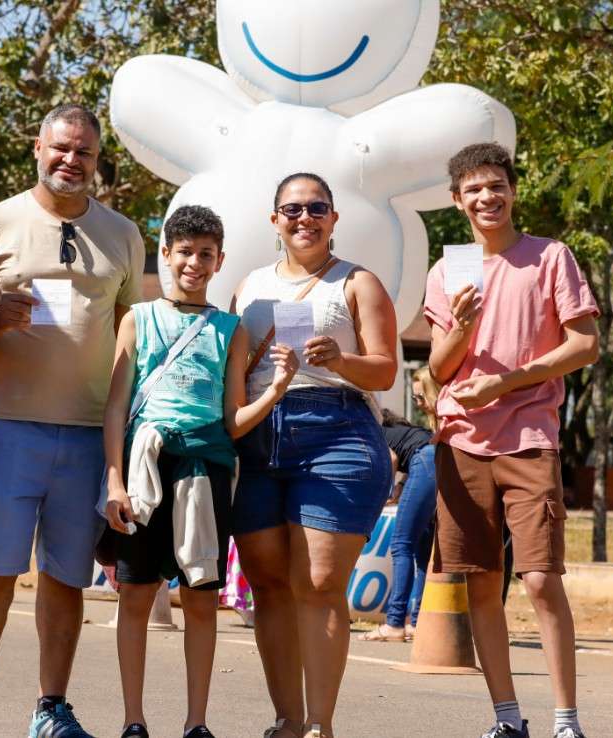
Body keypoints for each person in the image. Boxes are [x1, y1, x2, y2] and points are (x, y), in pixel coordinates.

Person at [0, 104, 144, 738]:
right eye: (61, 147)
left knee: (66, 578)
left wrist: (126, 437)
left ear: (97, 159)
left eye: (84, 152)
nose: (71, 160)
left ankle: (50, 710)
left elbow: (131, 335)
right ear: (38, 147)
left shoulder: (123, 233)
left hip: (90, 432)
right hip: (7, 424)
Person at [100, 205, 297, 738]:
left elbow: (233, 420)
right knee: (136, 594)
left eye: (205, 254)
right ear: (165, 254)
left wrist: (276, 391)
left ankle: (196, 723)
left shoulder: (230, 329)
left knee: (201, 597)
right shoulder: (137, 318)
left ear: (219, 261)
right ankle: (133, 720)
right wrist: (114, 479)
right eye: (184, 252)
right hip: (144, 468)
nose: (194, 263)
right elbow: (116, 407)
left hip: (205, 471)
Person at [424, 143, 600, 738]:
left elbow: (585, 345)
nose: (486, 197)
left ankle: (567, 722)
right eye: (473, 189)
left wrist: (506, 381)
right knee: (480, 581)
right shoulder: (448, 271)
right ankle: (506, 719)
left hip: (529, 436)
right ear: (457, 201)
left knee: (542, 579)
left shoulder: (550, 256)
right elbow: (440, 369)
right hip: (461, 440)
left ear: (513, 191)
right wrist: (463, 325)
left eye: (496, 185)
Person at [230, 172, 399, 738]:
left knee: (320, 583)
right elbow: (235, 367)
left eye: (317, 208)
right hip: (258, 433)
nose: (305, 218)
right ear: (274, 219)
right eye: (293, 209)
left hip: (336, 432)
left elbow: (385, 370)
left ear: (333, 218)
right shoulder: (250, 285)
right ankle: (287, 719)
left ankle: (319, 726)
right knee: (268, 583)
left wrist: (340, 360)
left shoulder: (357, 281)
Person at [361, 369, 440, 642]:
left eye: (420, 397)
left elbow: (392, 459)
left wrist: (383, 493)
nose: (417, 403)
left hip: (426, 463)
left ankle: (394, 622)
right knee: (422, 551)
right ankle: (417, 623)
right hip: (437, 464)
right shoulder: (406, 430)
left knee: (401, 544)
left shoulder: (374, 430)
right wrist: (401, 486)